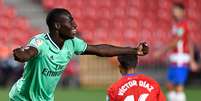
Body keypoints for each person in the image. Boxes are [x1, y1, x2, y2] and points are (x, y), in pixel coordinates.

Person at [9, 8, 149, 101]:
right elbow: (30, 51)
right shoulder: (41, 43)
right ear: (57, 26)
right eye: (70, 21)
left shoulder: (72, 43)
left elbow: (100, 50)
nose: (75, 25)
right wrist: (23, 54)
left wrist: (134, 50)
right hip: (22, 98)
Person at [155, 3, 195, 101]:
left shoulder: (182, 25)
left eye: (177, 11)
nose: (174, 13)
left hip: (180, 58)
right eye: (174, 10)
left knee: (178, 86)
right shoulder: (176, 25)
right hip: (175, 58)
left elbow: (177, 41)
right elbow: (189, 41)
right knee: (169, 85)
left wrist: (161, 52)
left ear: (183, 12)